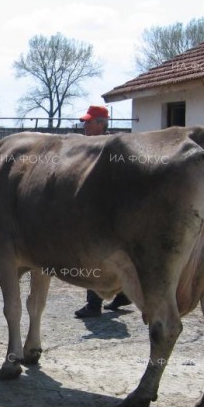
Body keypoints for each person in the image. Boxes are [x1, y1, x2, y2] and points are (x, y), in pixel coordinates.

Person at [74, 105, 131, 318]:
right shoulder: (96, 144)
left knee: (93, 256)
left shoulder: (108, 147)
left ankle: (93, 305)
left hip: (102, 210)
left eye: (89, 122)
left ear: (101, 123)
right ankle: (124, 294)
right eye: (85, 122)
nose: (85, 125)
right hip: (107, 209)